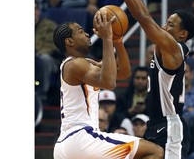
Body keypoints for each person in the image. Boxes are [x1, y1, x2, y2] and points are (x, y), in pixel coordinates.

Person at [90, 0, 194, 158]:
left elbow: (144, 17)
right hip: (157, 124)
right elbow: (144, 15)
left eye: (170, 25)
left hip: (170, 126)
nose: (164, 27)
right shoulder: (168, 48)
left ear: (183, 34)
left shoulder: (174, 49)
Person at [53, 11, 163, 159]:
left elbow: (124, 73)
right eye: (80, 31)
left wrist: (118, 43)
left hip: (67, 144)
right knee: (155, 151)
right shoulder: (75, 64)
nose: (86, 34)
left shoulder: (85, 64)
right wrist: (107, 39)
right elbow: (109, 82)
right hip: (81, 137)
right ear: (69, 42)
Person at [35, 1, 61, 102]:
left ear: (38, 11)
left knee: (44, 59)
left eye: (34, 9)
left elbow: (53, 45)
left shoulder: (49, 25)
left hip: (51, 59)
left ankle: (41, 95)